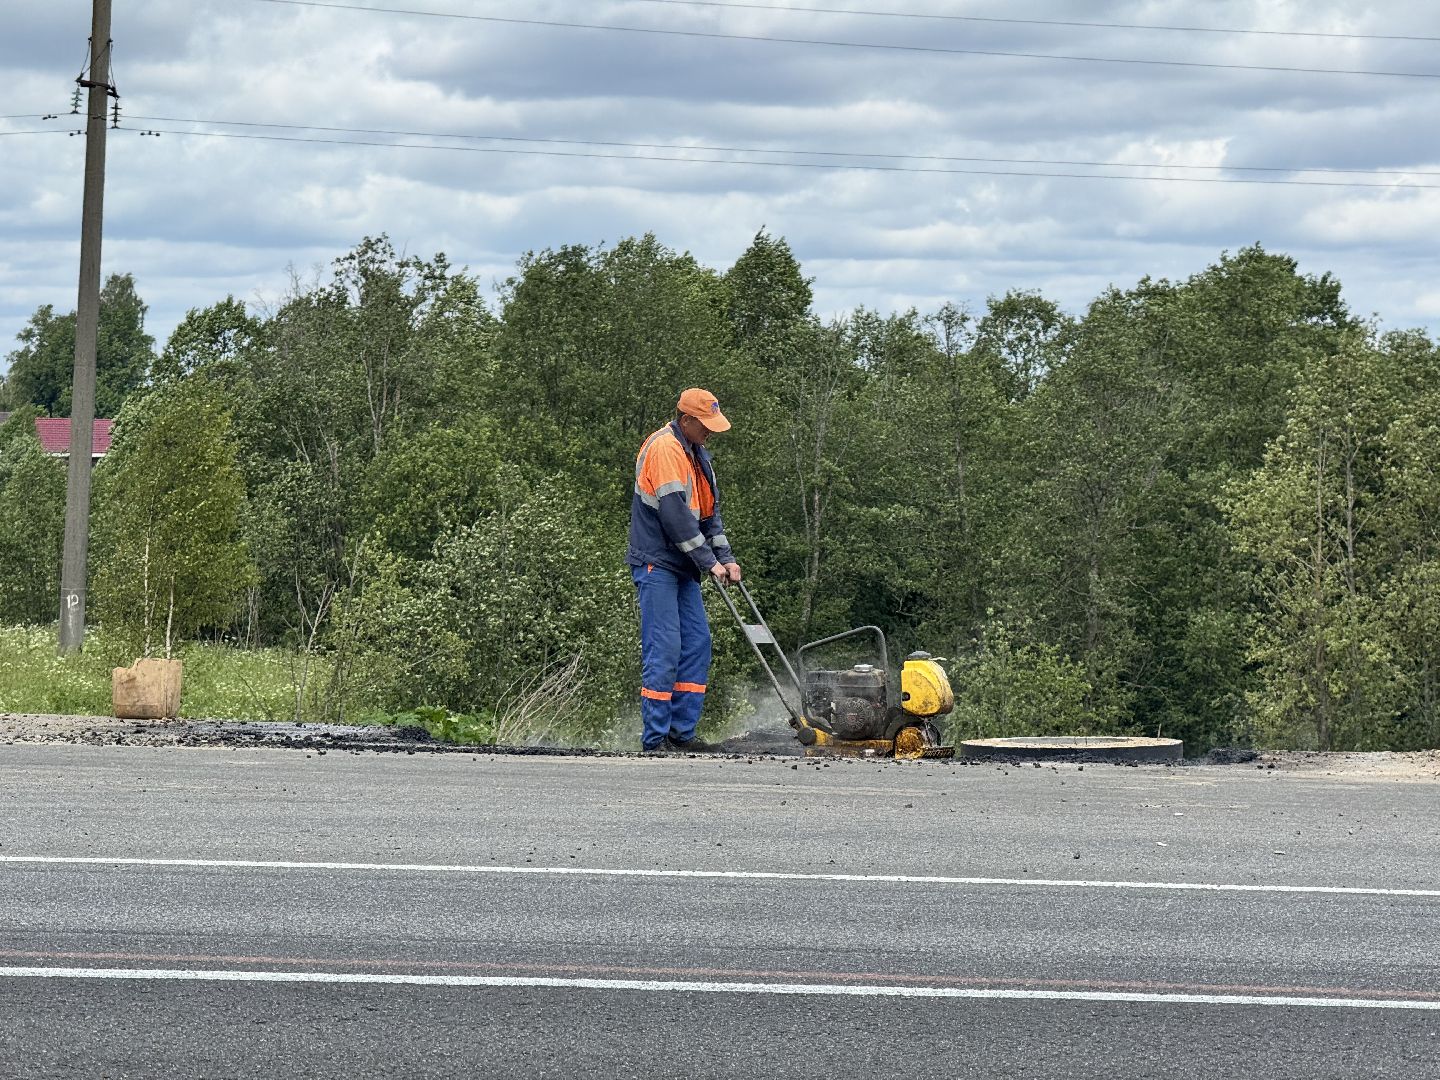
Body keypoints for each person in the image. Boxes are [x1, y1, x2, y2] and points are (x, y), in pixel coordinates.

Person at [627, 388, 741, 753]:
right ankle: (655, 739)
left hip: (684, 566)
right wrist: (709, 563)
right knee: (665, 648)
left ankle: (681, 733)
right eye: (705, 426)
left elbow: (710, 516)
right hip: (657, 562)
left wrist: (727, 558)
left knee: (697, 643)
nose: (711, 433)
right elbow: (675, 517)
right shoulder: (664, 449)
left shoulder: (698, 455)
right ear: (687, 419)